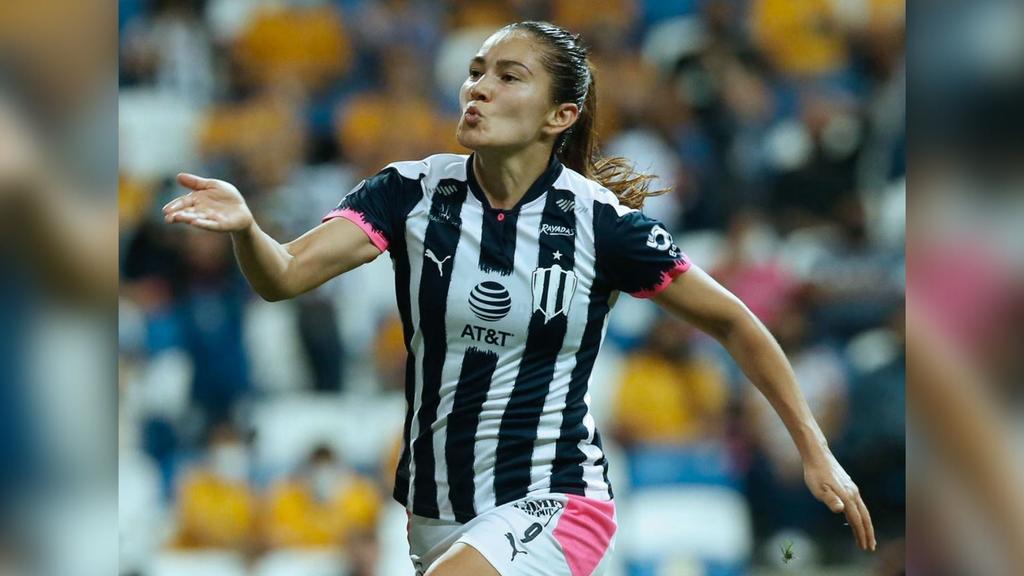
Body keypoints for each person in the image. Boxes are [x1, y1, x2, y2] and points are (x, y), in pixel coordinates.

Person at [164, 21, 874, 576]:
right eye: (476, 72)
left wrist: (815, 451)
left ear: (559, 115)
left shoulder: (600, 224)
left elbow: (735, 321)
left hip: (554, 494)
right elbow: (283, 276)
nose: (478, 88)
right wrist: (248, 228)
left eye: (508, 77)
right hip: (435, 511)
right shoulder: (409, 192)